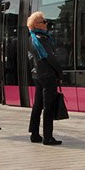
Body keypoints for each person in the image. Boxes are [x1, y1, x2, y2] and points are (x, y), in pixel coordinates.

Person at [27, 11, 63, 146]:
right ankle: (48, 137)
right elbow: (49, 57)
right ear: (37, 24)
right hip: (48, 75)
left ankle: (34, 134)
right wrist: (59, 72)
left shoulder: (32, 38)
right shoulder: (41, 38)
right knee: (48, 106)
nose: (46, 24)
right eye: (44, 22)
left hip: (38, 75)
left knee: (38, 105)